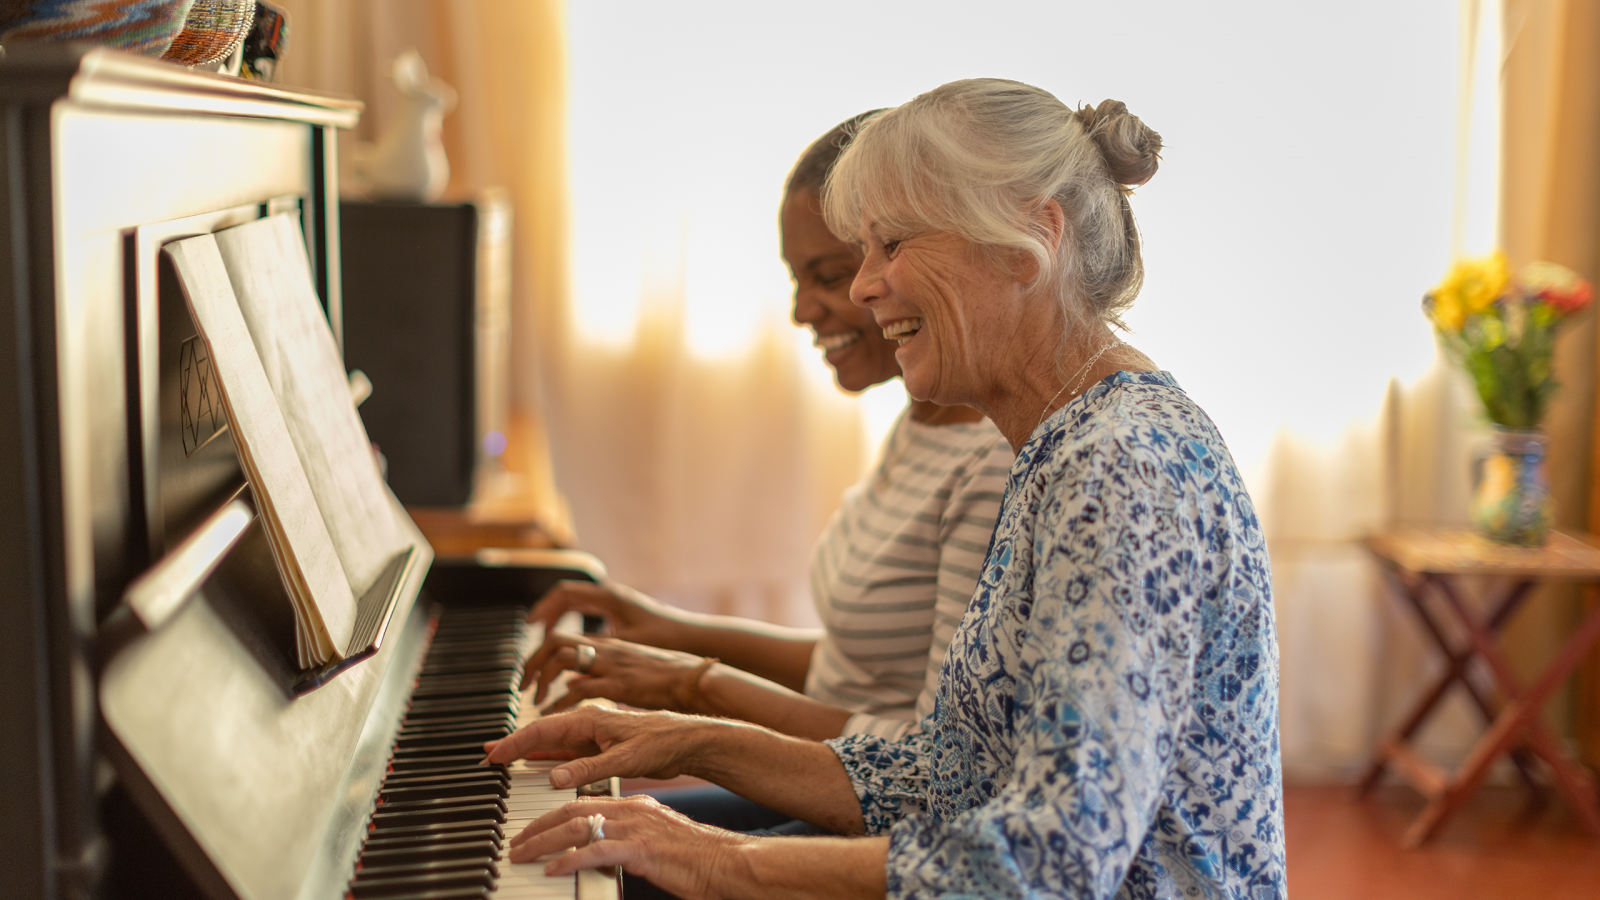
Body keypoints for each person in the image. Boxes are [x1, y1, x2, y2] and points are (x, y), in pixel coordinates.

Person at [486, 78, 1285, 900]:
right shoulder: (1063, 443)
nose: (865, 288)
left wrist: (720, 858)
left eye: (892, 245)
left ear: (1030, 239)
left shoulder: (1122, 467)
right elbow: (950, 775)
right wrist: (685, 737)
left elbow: (1057, 861)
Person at [520, 113, 1013, 748]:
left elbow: (932, 758)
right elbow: (850, 673)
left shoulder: (989, 466)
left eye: (829, 276)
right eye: (796, 279)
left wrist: (691, 684)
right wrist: (672, 629)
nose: (802, 311)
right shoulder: (925, 416)